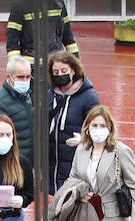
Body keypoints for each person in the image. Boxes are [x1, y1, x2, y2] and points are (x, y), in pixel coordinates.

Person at [47, 49, 99, 194]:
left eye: (64, 70)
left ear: (73, 70)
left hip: (76, 164)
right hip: (51, 166)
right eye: (55, 72)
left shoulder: (88, 97)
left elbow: (98, 129)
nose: (60, 75)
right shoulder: (49, 95)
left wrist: (84, 139)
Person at [0, 57, 34, 168]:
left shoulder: (25, 96)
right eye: (20, 77)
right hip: (10, 165)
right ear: (8, 77)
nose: (25, 81)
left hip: (26, 163)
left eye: (28, 77)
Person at [6, 2, 77, 60]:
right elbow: (12, 41)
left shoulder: (59, 4)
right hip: (30, 64)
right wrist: (15, 66)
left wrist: (76, 63)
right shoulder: (19, 5)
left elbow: (68, 37)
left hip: (55, 63)